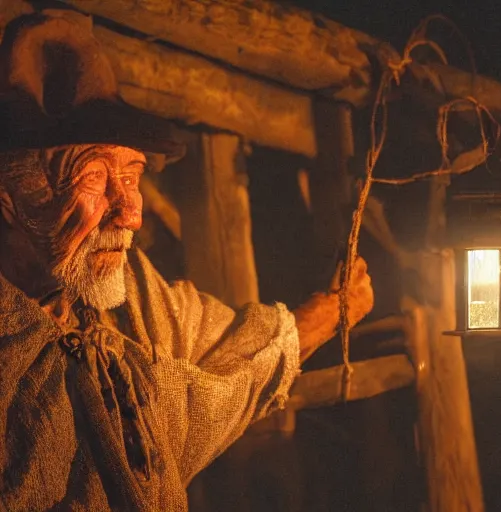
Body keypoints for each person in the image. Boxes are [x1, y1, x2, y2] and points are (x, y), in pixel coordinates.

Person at [0, 11, 374, 511]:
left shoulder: (129, 297)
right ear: (10, 195)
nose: (130, 214)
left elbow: (217, 370)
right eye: (93, 176)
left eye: (131, 177)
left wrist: (329, 311)